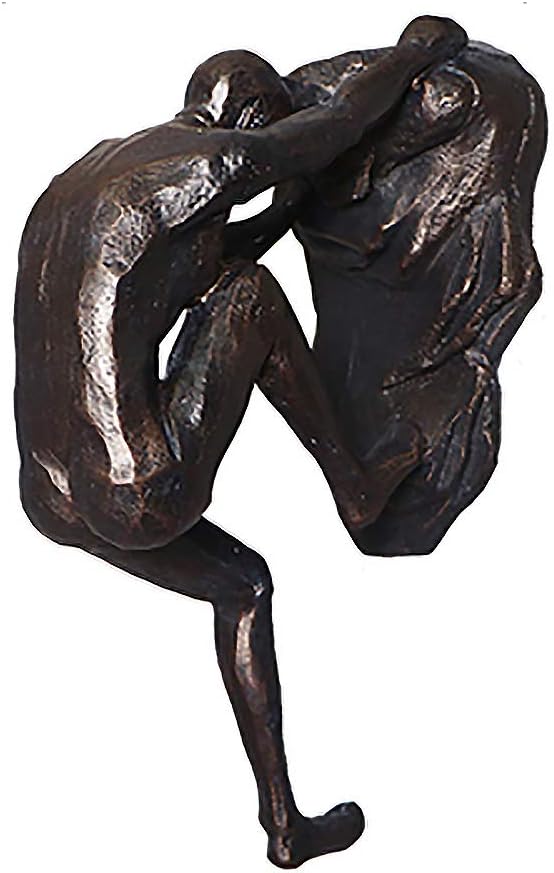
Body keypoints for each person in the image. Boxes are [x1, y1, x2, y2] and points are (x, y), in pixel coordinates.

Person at [15, 18, 466, 867]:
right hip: (139, 489)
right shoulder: (210, 159)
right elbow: (330, 129)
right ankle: (358, 487)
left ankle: (286, 826)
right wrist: (415, 53)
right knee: (252, 296)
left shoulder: (85, 182)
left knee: (245, 586)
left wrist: (289, 208)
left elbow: (185, 269)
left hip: (49, 497)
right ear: (249, 121)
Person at [235, 36, 546, 556]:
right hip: (419, 191)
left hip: (450, 144)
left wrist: (338, 174)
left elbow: (447, 98)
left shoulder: (327, 112)